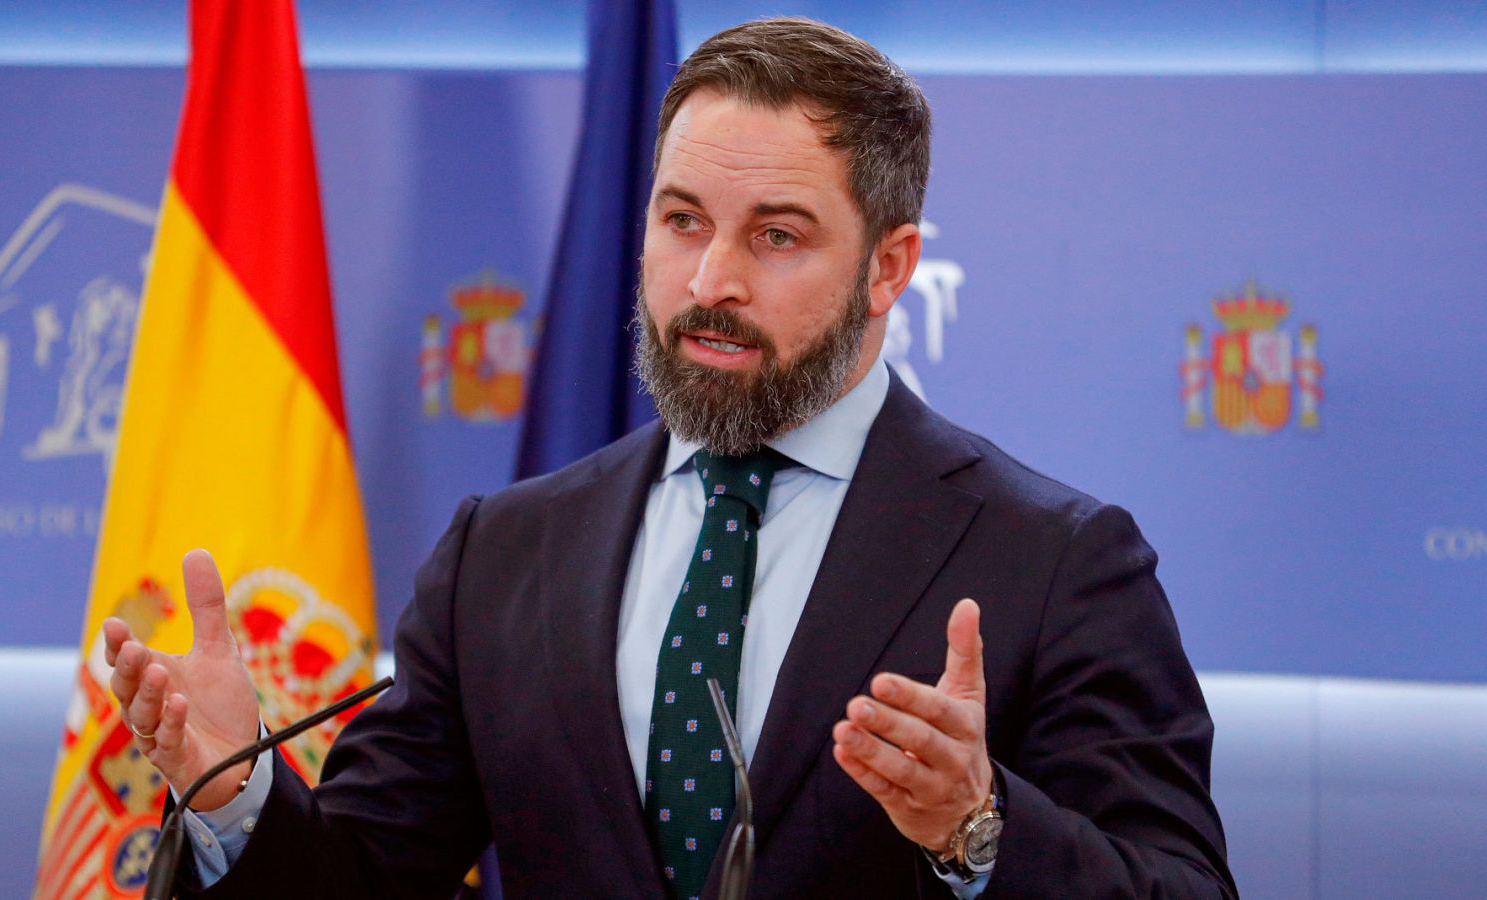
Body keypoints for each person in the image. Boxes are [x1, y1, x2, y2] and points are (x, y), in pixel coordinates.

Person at [105, 17, 1236, 899]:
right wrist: (237, 789)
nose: (709, 283)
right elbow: (364, 883)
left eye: (775, 236)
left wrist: (978, 826)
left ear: (889, 268)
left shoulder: (1054, 559)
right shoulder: (507, 551)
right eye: (681, 219)